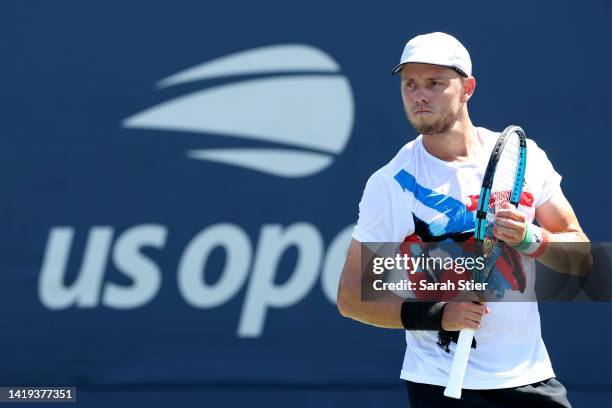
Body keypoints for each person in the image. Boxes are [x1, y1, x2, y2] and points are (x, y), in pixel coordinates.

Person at [336, 32, 589, 407]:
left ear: (467, 88)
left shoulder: (526, 158)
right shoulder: (389, 184)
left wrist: (530, 239)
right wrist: (441, 315)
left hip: (530, 378)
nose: (419, 95)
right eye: (410, 84)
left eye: (434, 83)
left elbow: (582, 259)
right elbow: (352, 298)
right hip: (439, 384)